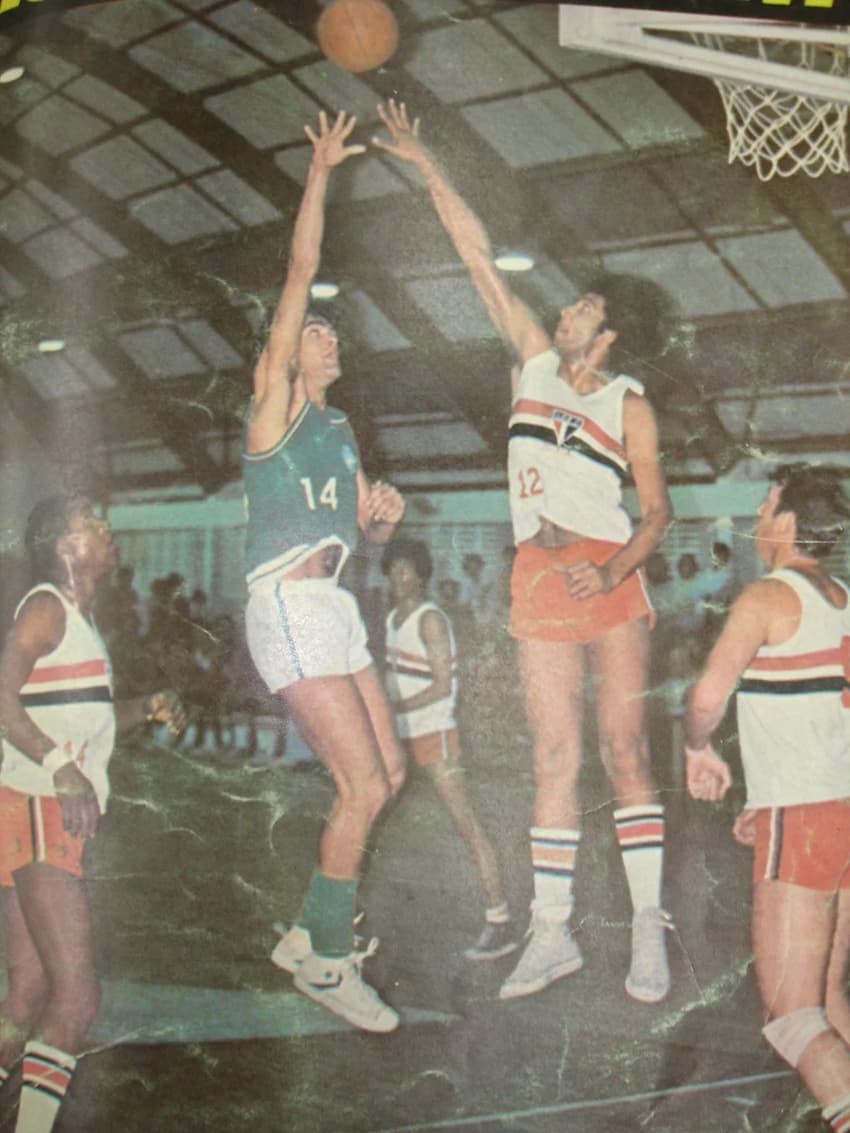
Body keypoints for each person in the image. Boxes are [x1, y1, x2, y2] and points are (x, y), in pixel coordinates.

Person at [374, 101, 674, 1003]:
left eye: (587, 305)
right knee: (553, 753)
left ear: (609, 334)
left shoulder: (630, 402)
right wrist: (426, 162)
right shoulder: (535, 363)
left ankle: (648, 928)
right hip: (538, 572)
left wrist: (614, 567)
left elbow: (657, 514)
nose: (570, 305)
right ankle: (552, 933)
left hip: (609, 571)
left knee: (623, 747)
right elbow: (473, 255)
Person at [242, 111, 406, 1033]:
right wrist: (318, 172)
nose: (329, 338)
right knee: (364, 787)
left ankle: (309, 931)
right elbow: (300, 274)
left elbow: (356, 543)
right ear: (288, 354)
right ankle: (329, 964)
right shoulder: (275, 412)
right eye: (318, 334)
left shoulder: (344, 435)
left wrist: (377, 525)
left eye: (335, 333)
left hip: (333, 602)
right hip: (289, 605)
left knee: (388, 772)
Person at [0, 495, 185, 1133]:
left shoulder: (81, 620)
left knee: (26, 996)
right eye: (91, 523)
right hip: (38, 805)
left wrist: (147, 707)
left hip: (31, 807)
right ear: (64, 546)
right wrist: (59, 765)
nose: (107, 530)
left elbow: (80, 717)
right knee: (76, 998)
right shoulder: (46, 607)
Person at [684, 464, 850, 1133]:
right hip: (841, 808)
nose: (757, 513)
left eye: (766, 502)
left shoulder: (765, 597)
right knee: (829, 999)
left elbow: (704, 698)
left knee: (790, 1016)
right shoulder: (841, 598)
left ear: (787, 522)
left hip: (806, 819)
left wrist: (699, 747)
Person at [381, 538, 517, 960]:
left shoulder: (431, 620)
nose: (399, 579)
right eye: (393, 571)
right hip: (400, 734)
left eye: (407, 571)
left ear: (422, 576)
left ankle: (500, 919)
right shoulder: (391, 619)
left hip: (434, 734)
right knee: (365, 814)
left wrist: (395, 707)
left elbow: (442, 686)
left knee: (465, 822)